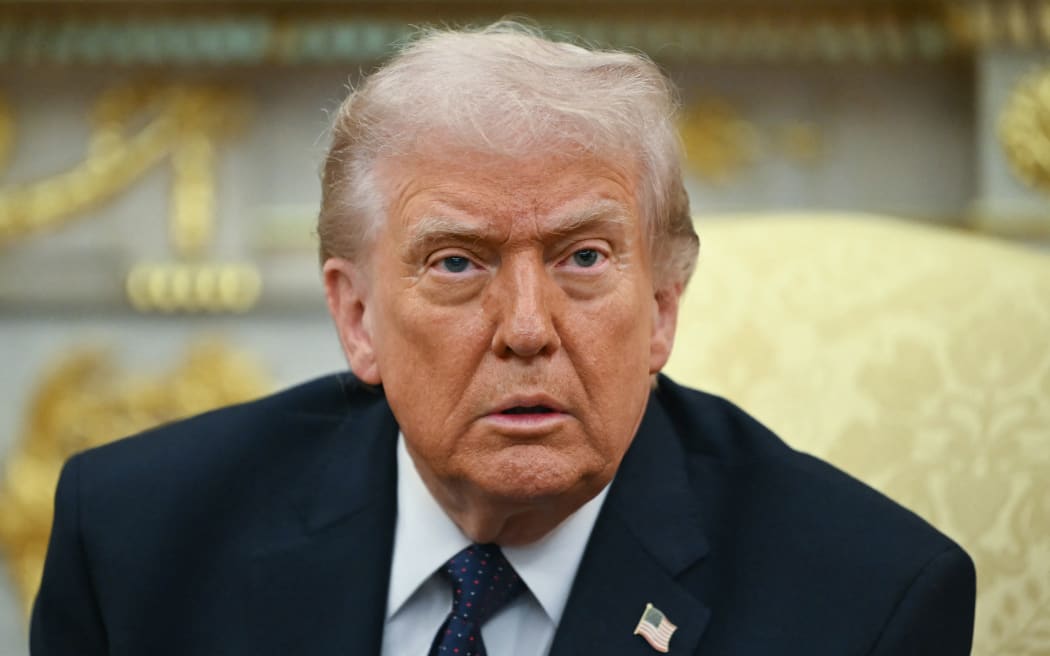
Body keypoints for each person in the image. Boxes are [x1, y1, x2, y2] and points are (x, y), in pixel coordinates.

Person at [31, 22, 975, 656]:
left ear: (661, 308)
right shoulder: (136, 540)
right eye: (456, 263)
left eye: (584, 257)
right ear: (356, 318)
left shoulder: (868, 604)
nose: (528, 330)